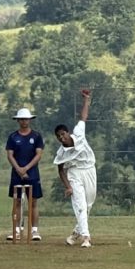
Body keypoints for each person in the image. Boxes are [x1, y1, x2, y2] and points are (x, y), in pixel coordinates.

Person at [54, 88, 97, 248]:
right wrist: (68, 187)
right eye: (58, 137)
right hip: (74, 174)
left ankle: (75, 234)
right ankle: (86, 238)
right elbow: (60, 170)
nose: (61, 138)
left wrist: (86, 99)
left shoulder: (78, 133)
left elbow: (83, 117)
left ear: (67, 133)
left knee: (88, 205)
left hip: (90, 169)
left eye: (62, 134)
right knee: (80, 205)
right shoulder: (61, 153)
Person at [5, 107, 45, 241]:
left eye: (26, 119)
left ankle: (34, 231)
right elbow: (10, 155)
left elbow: (38, 154)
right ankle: (16, 230)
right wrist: (18, 169)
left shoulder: (36, 136)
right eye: (21, 119)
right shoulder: (13, 137)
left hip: (32, 173)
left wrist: (26, 168)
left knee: (33, 202)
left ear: (30, 120)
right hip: (16, 174)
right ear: (18, 120)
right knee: (16, 202)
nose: (24, 121)